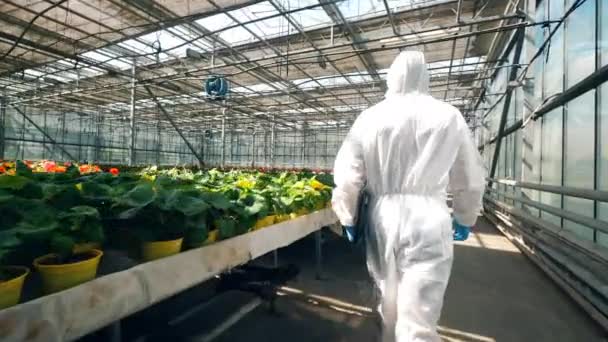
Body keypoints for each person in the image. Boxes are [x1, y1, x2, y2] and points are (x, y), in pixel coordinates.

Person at [331, 51, 485, 342]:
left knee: (388, 302)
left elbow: (349, 174)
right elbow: (468, 174)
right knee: (420, 314)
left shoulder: (370, 117)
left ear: (392, 76)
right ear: (426, 76)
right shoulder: (448, 115)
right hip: (429, 217)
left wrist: (348, 216)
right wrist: (466, 215)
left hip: (383, 216)